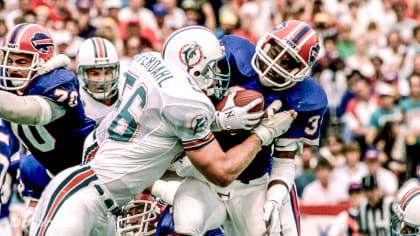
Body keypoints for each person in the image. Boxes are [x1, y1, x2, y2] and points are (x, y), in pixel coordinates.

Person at [29, 28, 294, 235]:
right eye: (213, 67)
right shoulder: (189, 101)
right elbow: (221, 172)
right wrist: (264, 133)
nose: (217, 76)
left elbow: (162, 127)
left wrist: (219, 122)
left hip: (99, 198)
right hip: (86, 198)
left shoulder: (148, 62)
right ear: (193, 61)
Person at [163, 21, 327, 235]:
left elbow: (284, 161)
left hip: (254, 185)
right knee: (185, 222)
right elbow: (185, 115)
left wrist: (275, 200)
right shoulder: (232, 55)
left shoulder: (304, 99)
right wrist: (221, 120)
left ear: (301, 71)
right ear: (265, 41)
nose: (275, 62)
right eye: (275, 50)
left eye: (288, 62)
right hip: (204, 177)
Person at [0, 23, 96, 175]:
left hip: (90, 167)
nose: (12, 69)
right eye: (9, 61)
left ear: (41, 61)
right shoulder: (6, 80)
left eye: (21, 62)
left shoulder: (58, 80)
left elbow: (20, 110)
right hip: (51, 171)